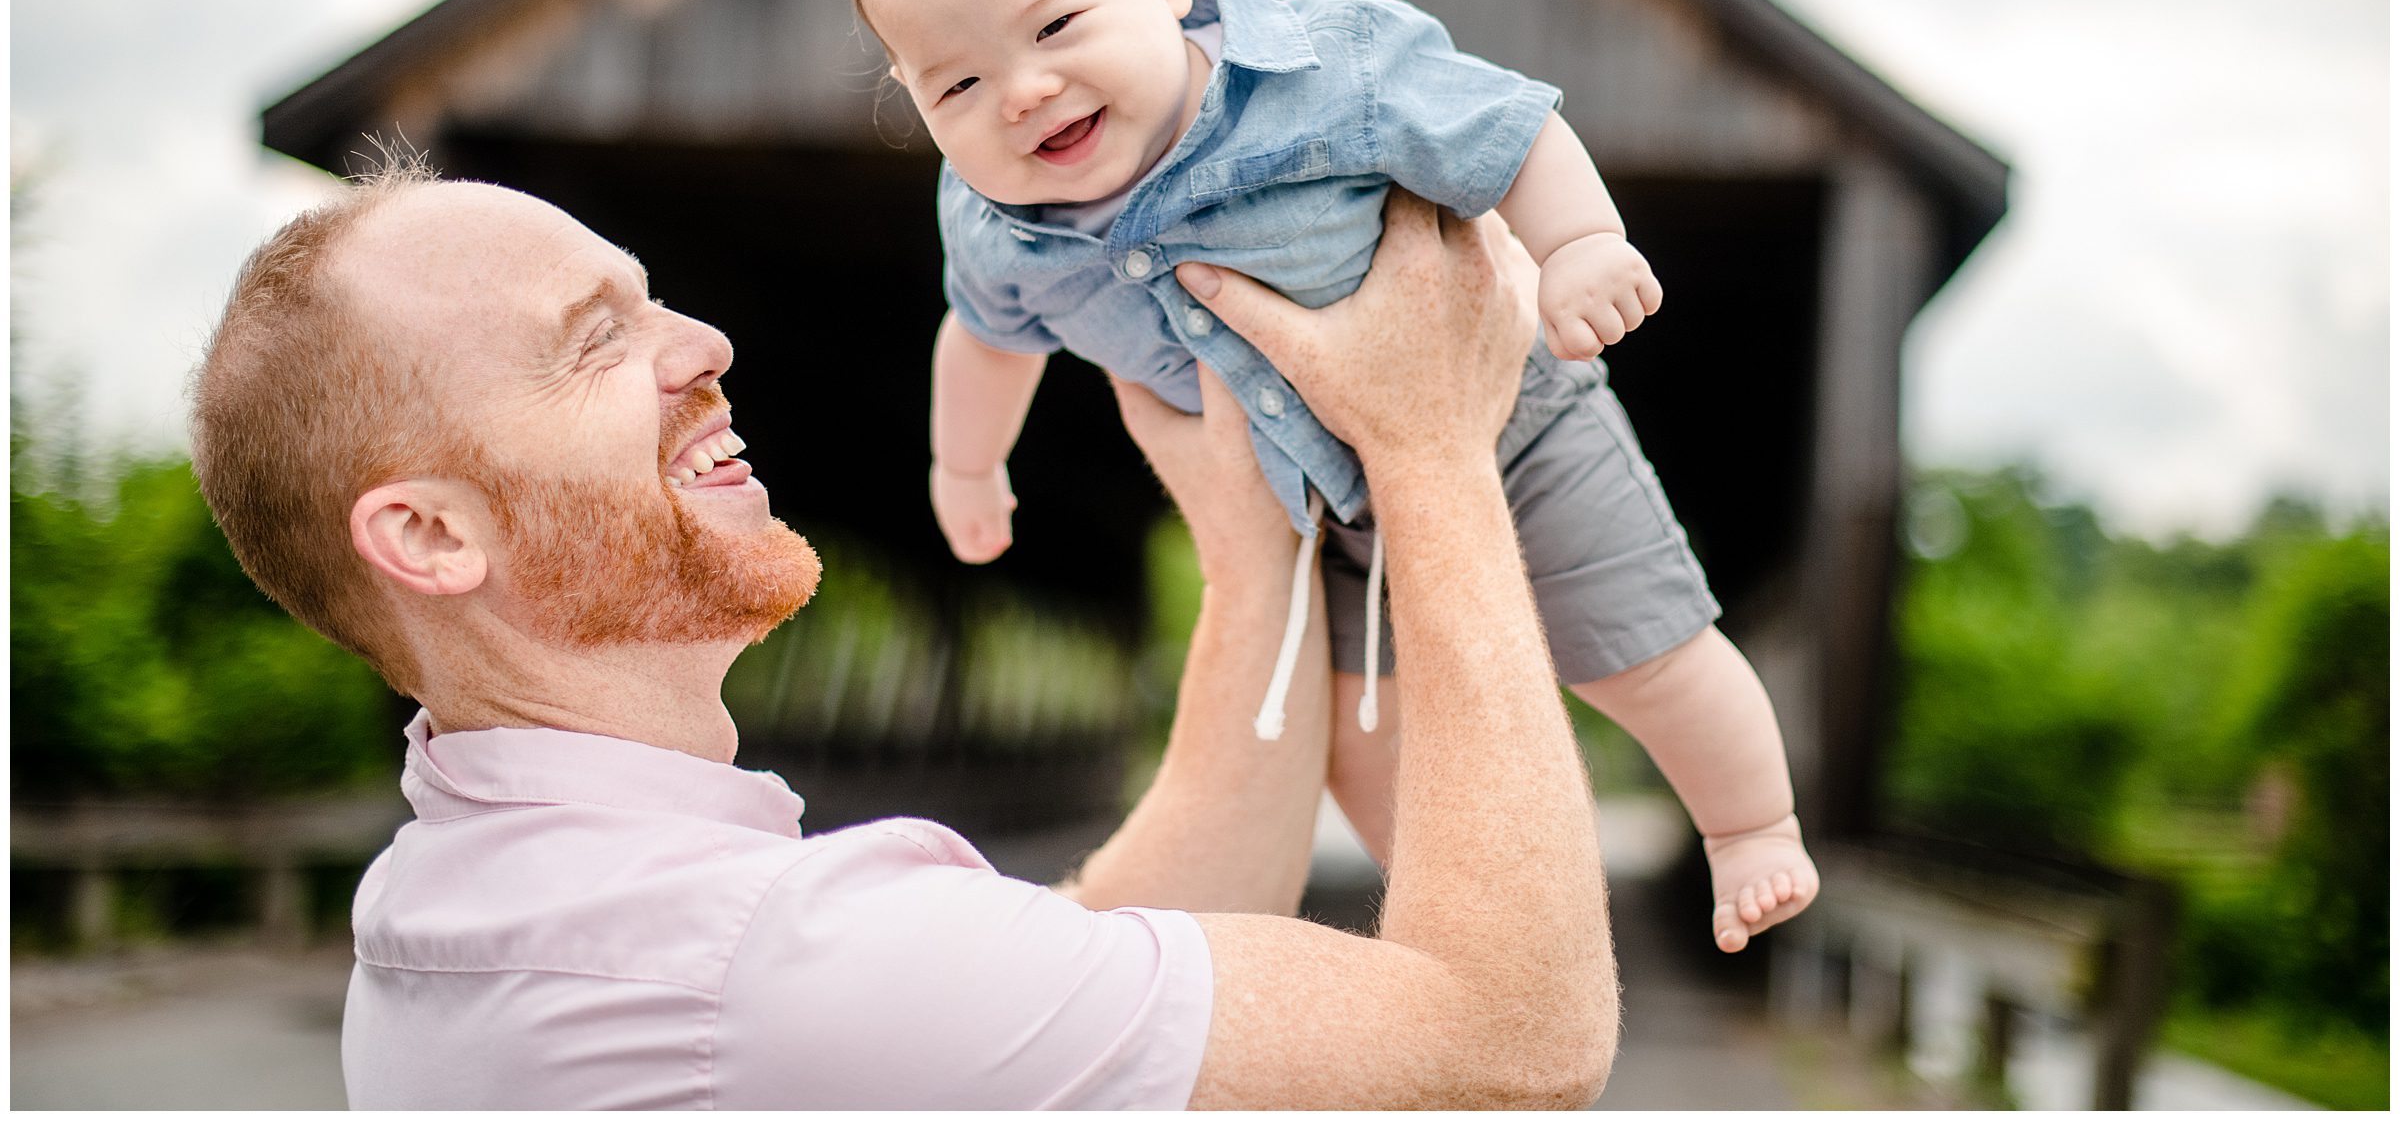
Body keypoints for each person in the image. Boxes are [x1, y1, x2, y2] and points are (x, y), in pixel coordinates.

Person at [188, 158, 1617, 1107]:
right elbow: (1512, 1038)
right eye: (593, 342)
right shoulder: (746, 960)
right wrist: (1434, 450)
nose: (703, 346)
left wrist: (1249, 551)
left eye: (652, 298)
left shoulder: (472, 898)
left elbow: (1095, 961)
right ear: (430, 535)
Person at [851, 0, 1817, 951]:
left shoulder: (1325, 68)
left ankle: (1751, 826)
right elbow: (985, 336)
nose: (1021, 90)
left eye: (1056, 25)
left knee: (1643, 653)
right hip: (1329, 511)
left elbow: (1509, 129)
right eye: (956, 84)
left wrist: (1579, 247)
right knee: (1368, 732)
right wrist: (966, 464)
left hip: (1514, 420)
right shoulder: (1000, 227)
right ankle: (1471, 914)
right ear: (914, 98)